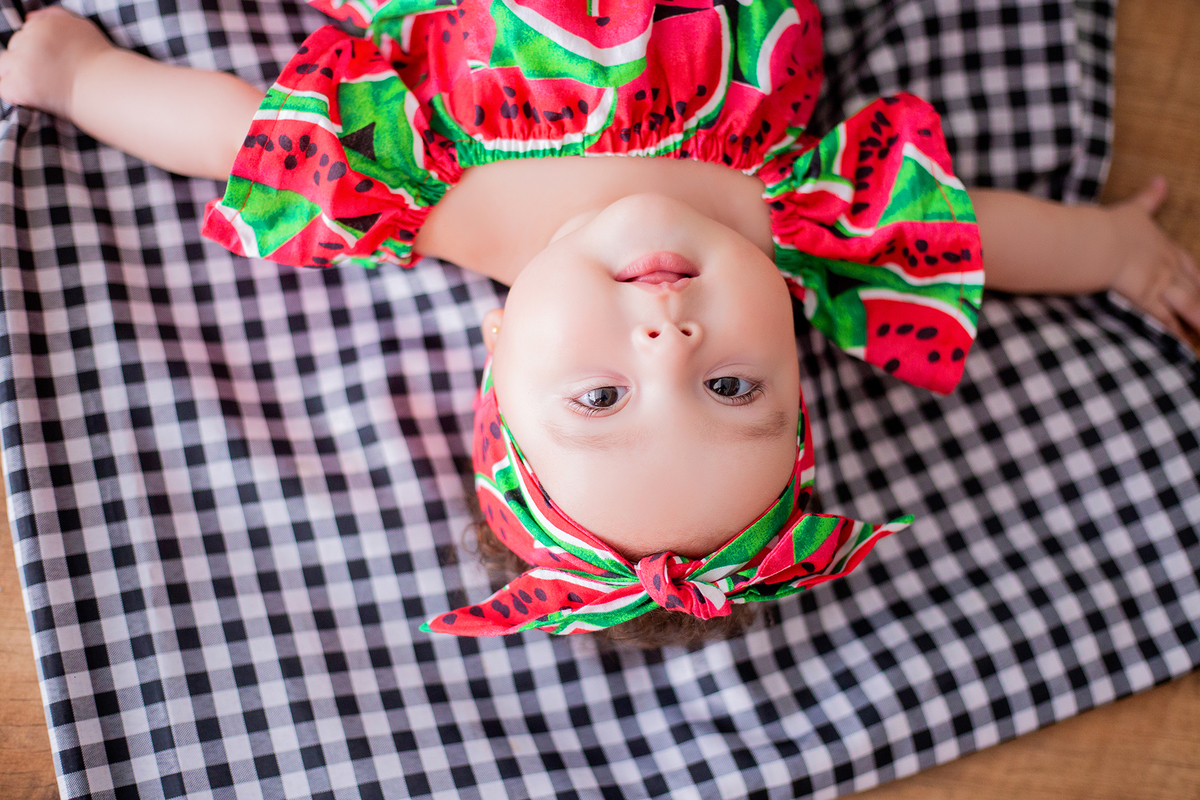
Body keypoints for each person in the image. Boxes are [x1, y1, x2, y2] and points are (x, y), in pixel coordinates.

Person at [2, 0, 1196, 646]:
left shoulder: (433, 206)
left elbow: (224, 129)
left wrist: (75, 78)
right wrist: (1119, 253)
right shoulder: (807, 220)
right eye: (733, 389)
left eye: (601, 398)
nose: (668, 343)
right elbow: (981, 232)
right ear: (794, 346)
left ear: (498, 359)